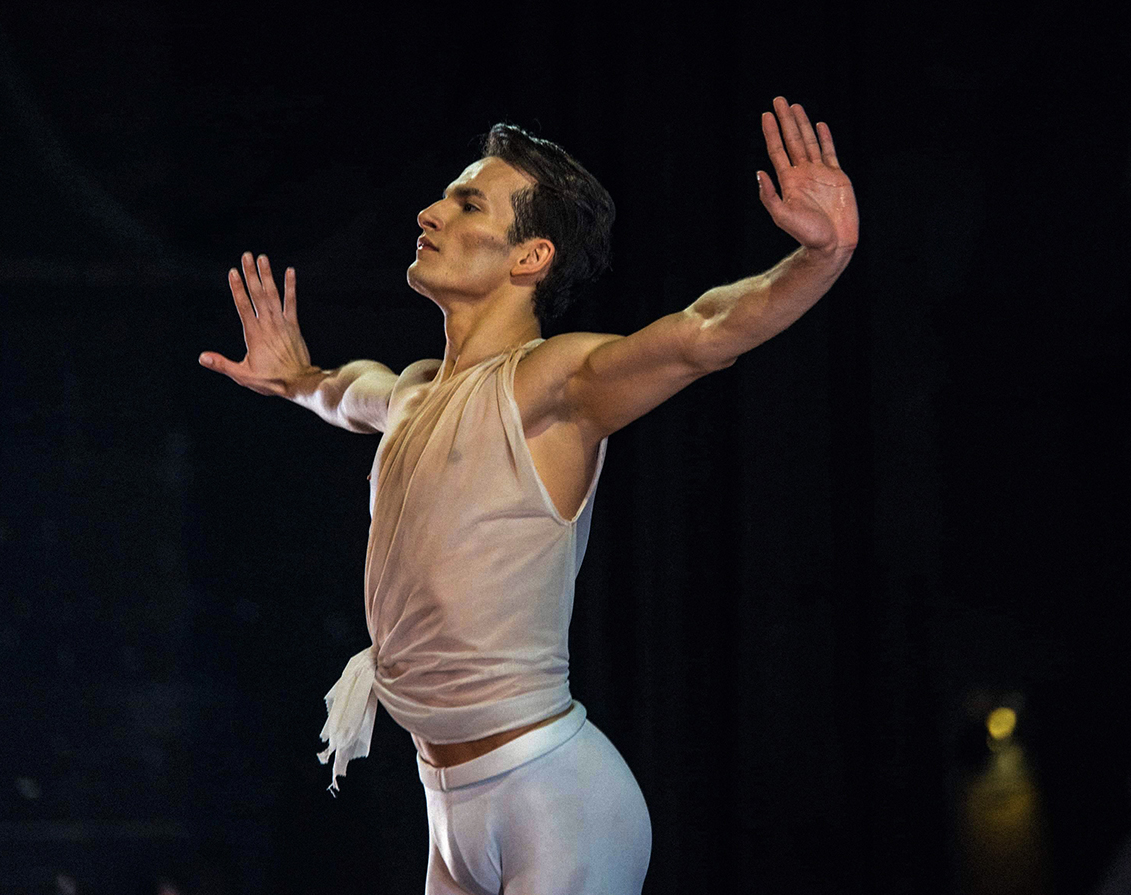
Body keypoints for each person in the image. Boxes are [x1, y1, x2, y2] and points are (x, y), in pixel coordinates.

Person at [200, 96, 858, 895]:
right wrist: (294, 381)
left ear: (530, 256)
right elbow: (344, 391)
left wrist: (821, 257)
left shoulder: (553, 384)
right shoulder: (412, 394)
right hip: (450, 810)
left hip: (553, 798)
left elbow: (701, 333)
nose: (431, 211)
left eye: (467, 201)